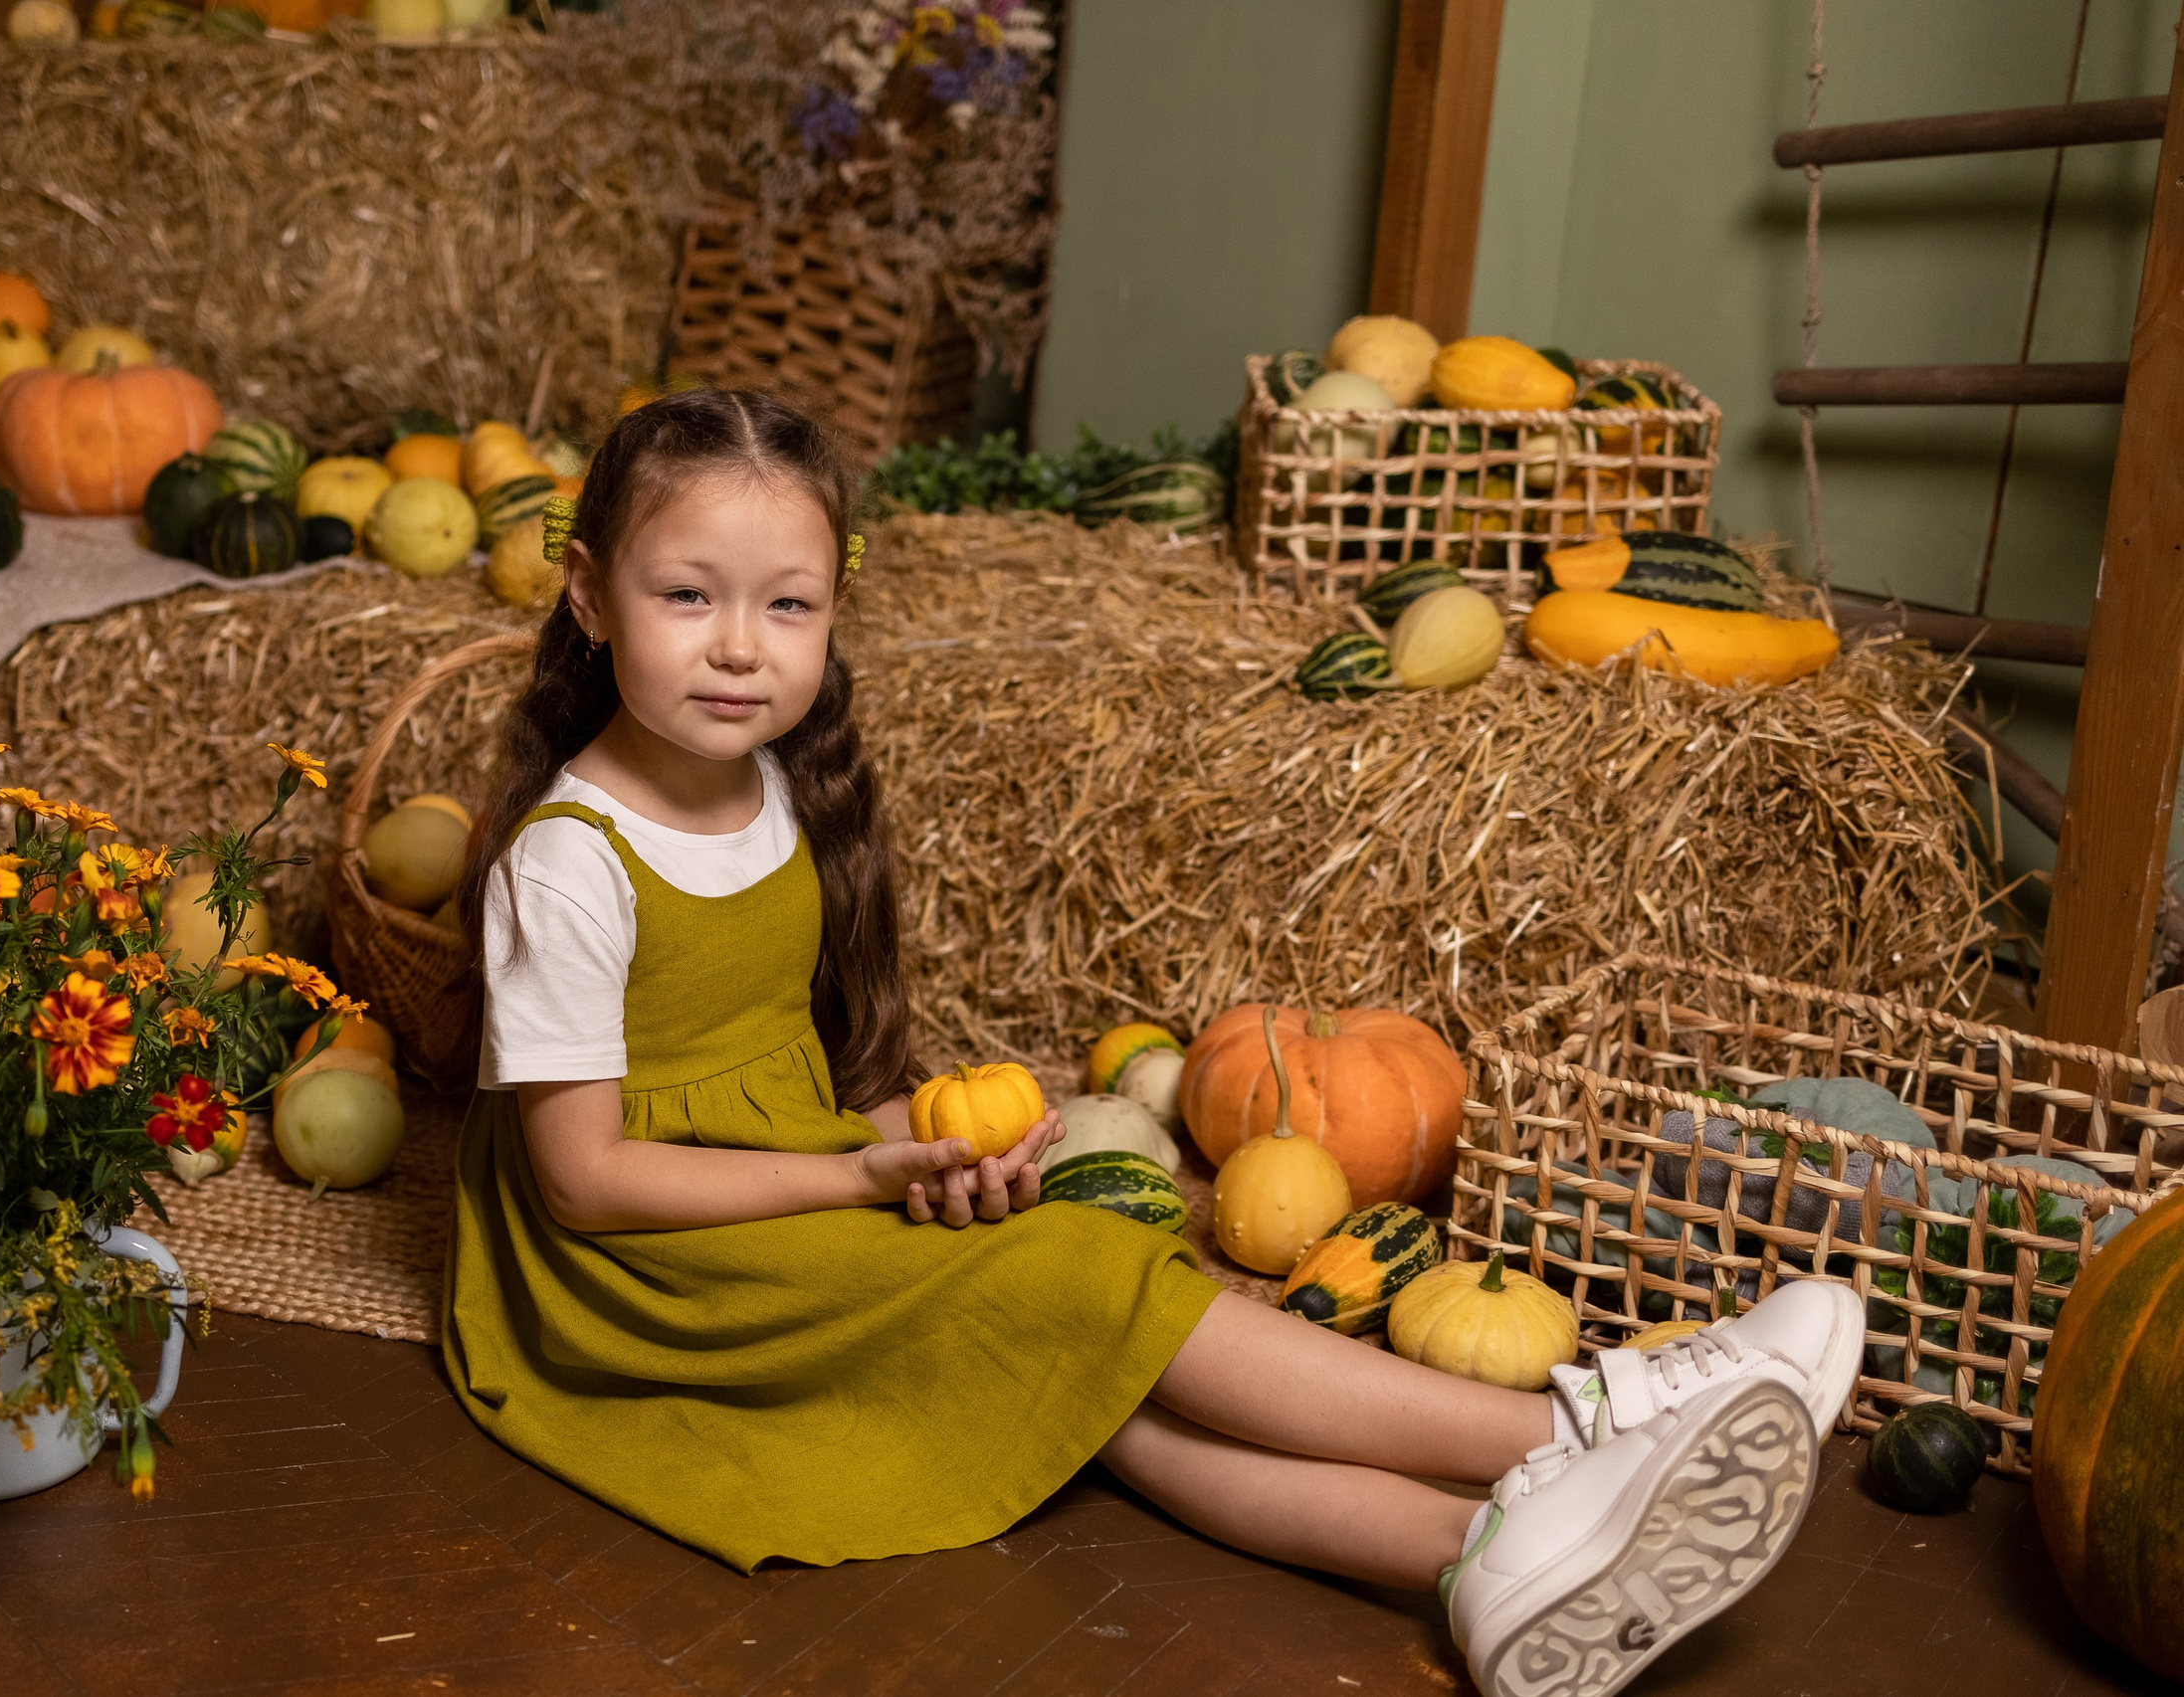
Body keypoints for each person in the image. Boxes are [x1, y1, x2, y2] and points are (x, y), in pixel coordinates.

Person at [441, 388, 1866, 1697]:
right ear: (589, 593)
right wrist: (859, 1178)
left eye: (789, 603)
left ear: (833, 608)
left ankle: (1482, 1556)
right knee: (1090, 1271)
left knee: (1105, 1386)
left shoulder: (769, 787)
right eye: (686, 594)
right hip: (638, 1281)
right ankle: (1588, 1422)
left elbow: (765, 1082)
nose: (740, 644)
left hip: (761, 1195)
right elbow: (589, 1180)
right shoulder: (569, 862)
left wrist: (919, 1146)